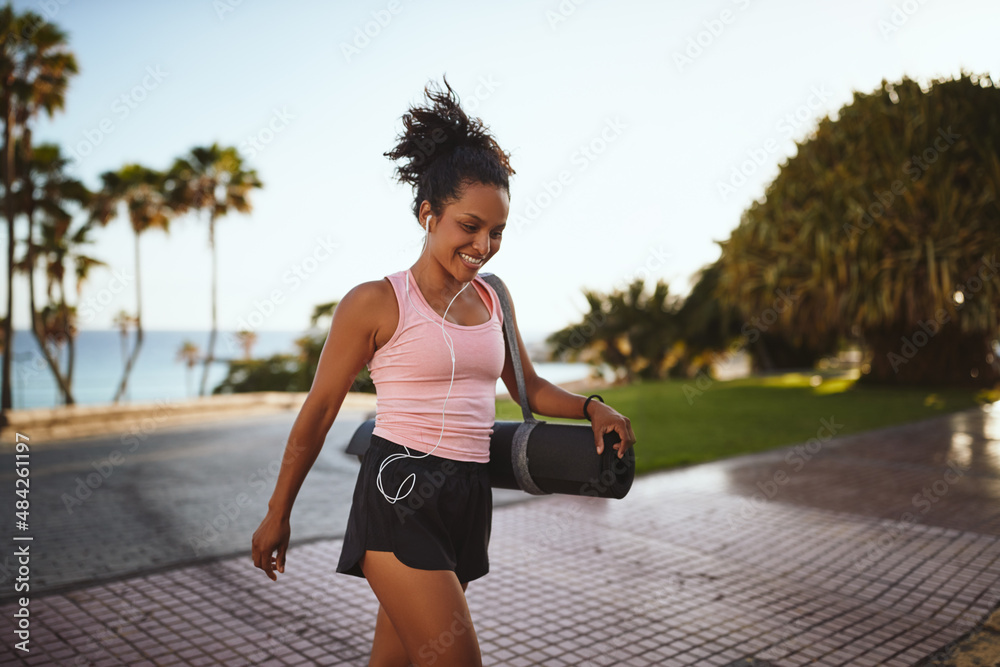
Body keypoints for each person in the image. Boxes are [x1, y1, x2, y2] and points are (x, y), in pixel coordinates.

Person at [251, 75, 637, 667]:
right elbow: (320, 411)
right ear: (428, 214)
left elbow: (526, 388)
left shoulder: (494, 299)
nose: (484, 245)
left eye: (498, 231)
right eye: (470, 226)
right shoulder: (375, 303)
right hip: (398, 491)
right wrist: (279, 513)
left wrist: (593, 406)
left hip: (466, 498)